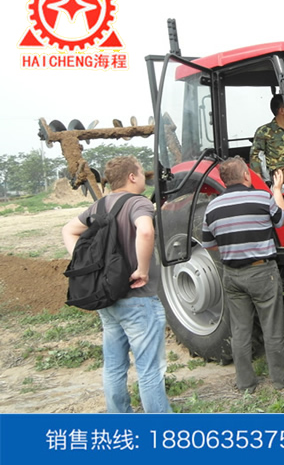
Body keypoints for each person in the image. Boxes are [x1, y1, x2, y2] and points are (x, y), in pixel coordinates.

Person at [62, 156, 171, 413]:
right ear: (132, 177)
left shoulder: (99, 206)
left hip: (109, 299)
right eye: (140, 173)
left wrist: (90, 265)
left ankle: (119, 419)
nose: (143, 177)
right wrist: (142, 269)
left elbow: (68, 230)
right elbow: (145, 231)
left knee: (113, 366)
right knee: (149, 369)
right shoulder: (138, 202)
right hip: (138, 299)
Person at [202, 157, 284, 393]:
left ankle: (245, 382)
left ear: (224, 180)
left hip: (232, 275)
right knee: (272, 327)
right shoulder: (261, 197)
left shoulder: (212, 208)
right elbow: (282, 219)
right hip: (261, 272)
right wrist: (276, 190)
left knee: (240, 330)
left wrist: (233, 247)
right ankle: (281, 378)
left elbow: (209, 244)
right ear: (246, 175)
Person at [249, 94, 284, 182]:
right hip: (279, 171)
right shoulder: (265, 131)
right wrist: (258, 178)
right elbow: (255, 155)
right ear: (282, 111)